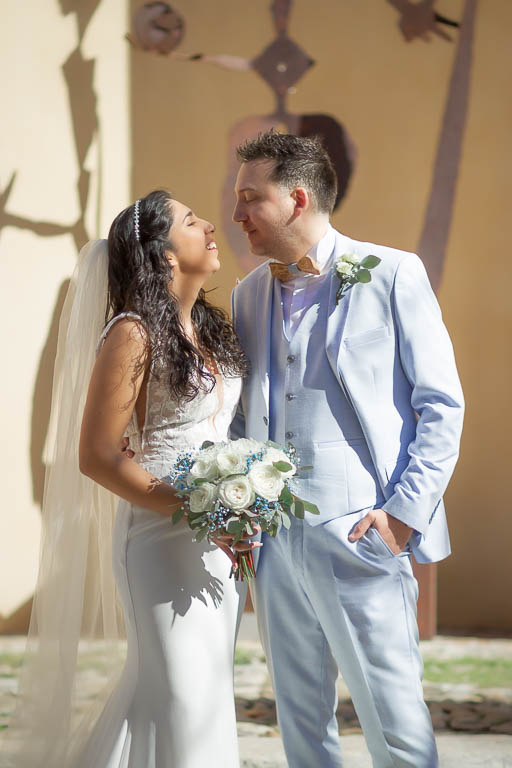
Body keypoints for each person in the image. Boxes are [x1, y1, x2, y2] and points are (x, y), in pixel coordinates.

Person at [230, 130, 464, 768]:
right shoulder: (247, 293)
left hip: (365, 528)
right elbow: (246, 414)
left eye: (251, 198)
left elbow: (440, 405)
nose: (237, 214)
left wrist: (402, 516)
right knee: (299, 722)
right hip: (276, 541)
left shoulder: (391, 272)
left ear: (297, 199)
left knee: (394, 721)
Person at [4, 189, 256, 768]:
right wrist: (199, 510)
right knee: (182, 695)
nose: (211, 227)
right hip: (159, 538)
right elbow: (94, 455)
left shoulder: (213, 331)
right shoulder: (132, 333)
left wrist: (246, 499)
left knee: (200, 697)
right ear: (166, 254)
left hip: (221, 543)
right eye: (192, 222)